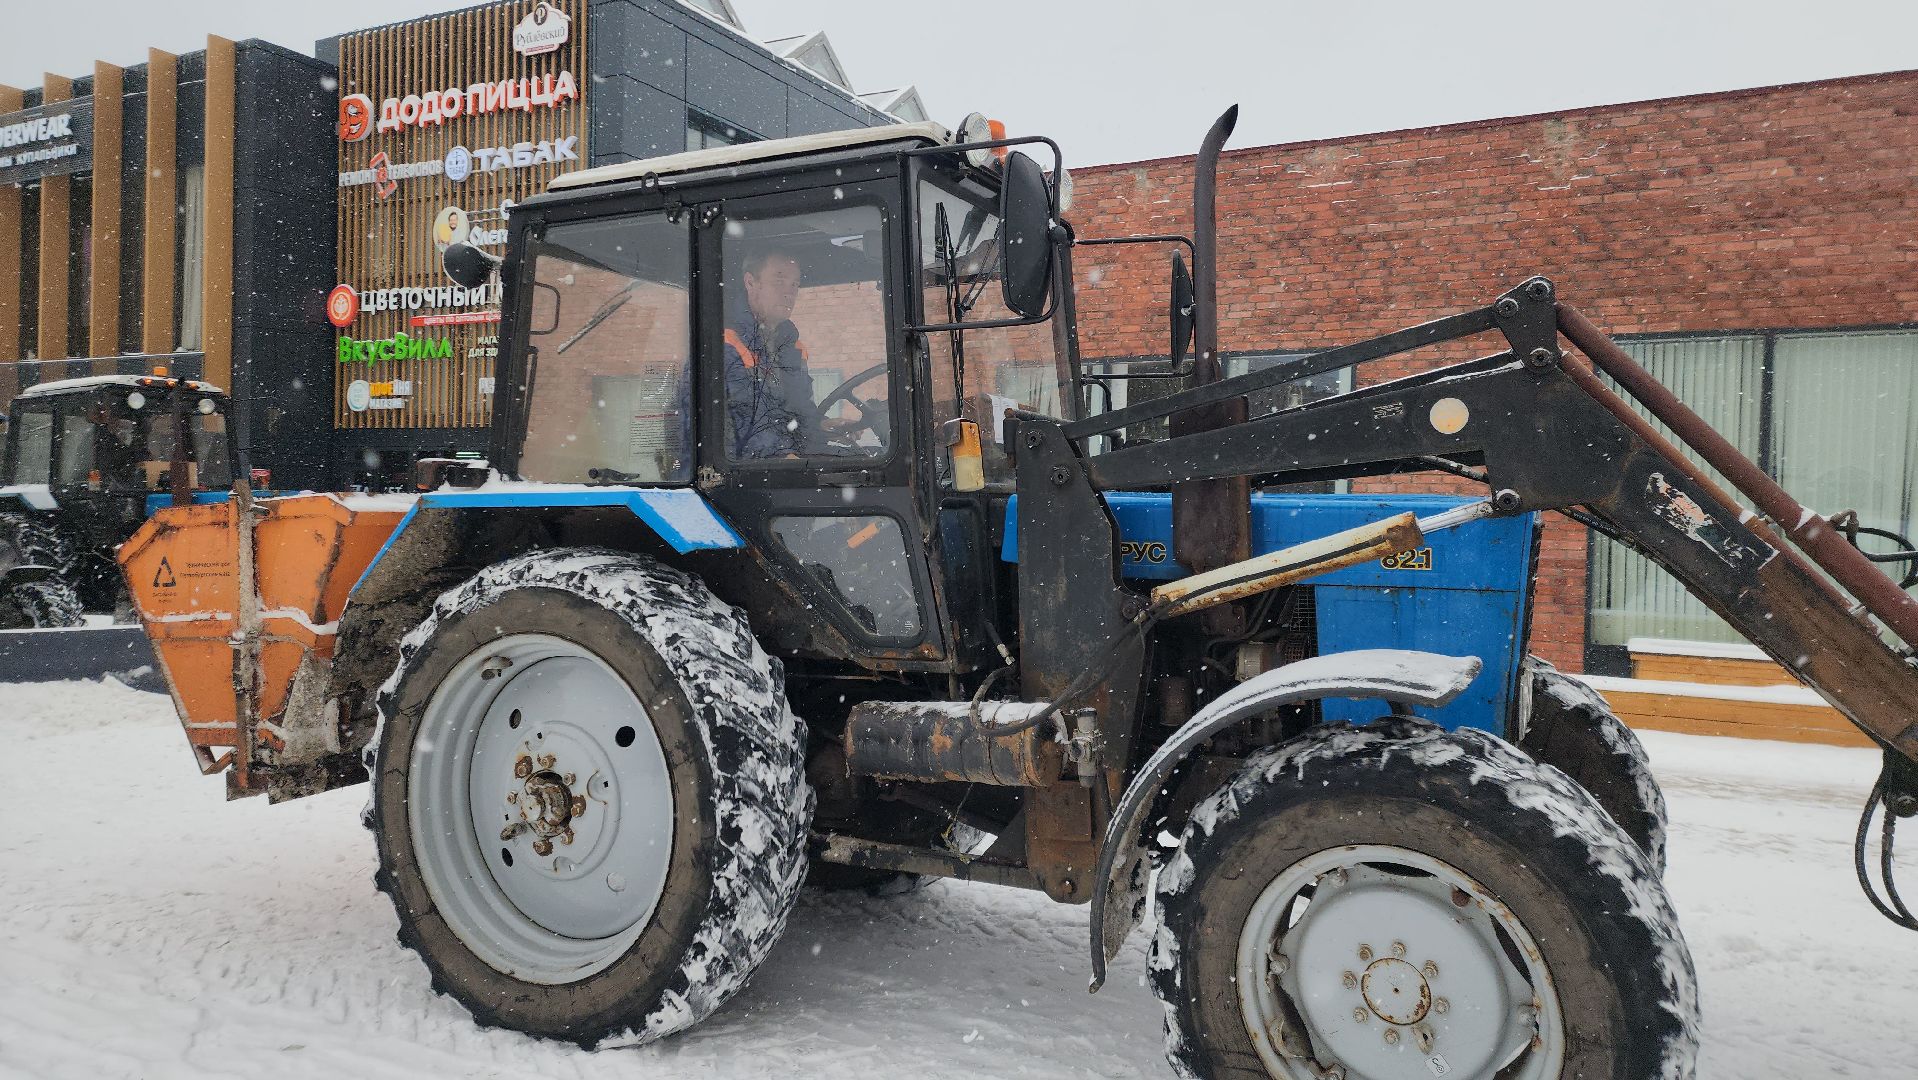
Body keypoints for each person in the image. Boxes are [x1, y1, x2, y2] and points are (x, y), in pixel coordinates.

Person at [724, 246, 825, 458]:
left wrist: (823, 428)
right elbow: (745, 423)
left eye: (795, 284)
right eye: (779, 281)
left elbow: (795, 413)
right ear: (751, 282)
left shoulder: (791, 348)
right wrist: (781, 457)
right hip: (740, 476)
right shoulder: (727, 345)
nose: (789, 292)